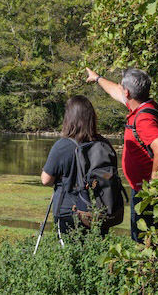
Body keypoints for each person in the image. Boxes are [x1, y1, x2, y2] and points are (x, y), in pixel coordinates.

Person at [85, 66, 158, 242]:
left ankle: (149, 269)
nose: (119, 89)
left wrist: (153, 182)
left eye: (122, 87)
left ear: (128, 92)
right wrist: (98, 78)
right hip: (142, 190)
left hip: (147, 194)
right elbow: (116, 91)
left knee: (145, 241)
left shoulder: (144, 119)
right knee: (150, 240)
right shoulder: (144, 105)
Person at [41, 95, 118, 235]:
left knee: (69, 253)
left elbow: (46, 180)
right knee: (96, 253)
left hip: (69, 211)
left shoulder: (62, 146)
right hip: (100, 211)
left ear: (69, 118)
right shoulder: (104, 144)